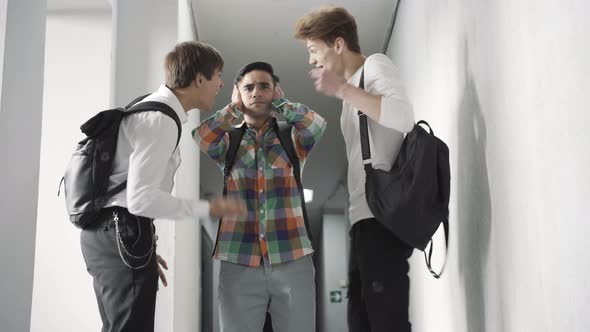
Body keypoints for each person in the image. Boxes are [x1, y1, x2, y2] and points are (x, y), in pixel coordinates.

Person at [80, 41, 244, 332]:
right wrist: (209, 207)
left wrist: (138, 247)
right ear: (199, 79)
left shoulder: (150, 109)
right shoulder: (161, 120)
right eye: (218, 75)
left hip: (110, 232)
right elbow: (140, 200)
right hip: (122, 229)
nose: (220, 84)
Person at [294, 6, 415, 332]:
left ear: (337, 44)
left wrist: (342, 89)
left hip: (382, 217)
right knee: (361, 321)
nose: (311, 60)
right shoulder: (353, 94)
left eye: (313, 50)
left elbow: (403, 117)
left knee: (385, 321)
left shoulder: (375, 65)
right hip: (364, 219)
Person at [194, 61, 327, 332]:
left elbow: (316, 125)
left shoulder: (292, 138)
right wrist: (232, 109)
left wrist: (281, 104)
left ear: (275, 90)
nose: (257, 93)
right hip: (238, 260)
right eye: (249, 88)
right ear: (238, 93)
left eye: (264, 86)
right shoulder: (228, 142)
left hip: (293, 257)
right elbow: (201, 136)